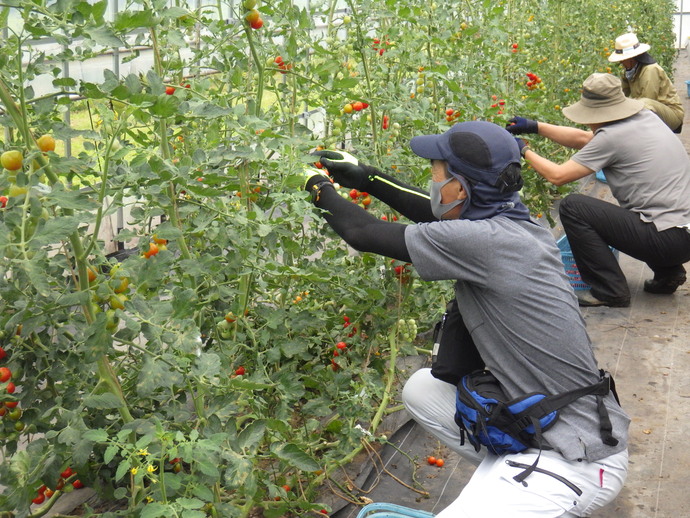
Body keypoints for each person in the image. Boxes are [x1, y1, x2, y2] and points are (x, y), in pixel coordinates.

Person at [305, 120, 629, 517]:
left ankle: (531, 492)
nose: (431, 179)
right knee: (423, 390)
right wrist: (366, 177)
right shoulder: (516, 222)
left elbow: (361, 231)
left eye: (436, 171)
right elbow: (430, 213)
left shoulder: (484, 242)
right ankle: (509, 478)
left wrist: (317, 189)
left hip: (576, 457)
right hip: (550, 421)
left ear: (459, 188)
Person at [507, 73, 690, 307]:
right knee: (645, 211)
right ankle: (669, 273)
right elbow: (586, 139)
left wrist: (524, 151)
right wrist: (535, 127)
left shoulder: (612, 137)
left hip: (665, 240)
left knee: (574, 207)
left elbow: (558, 176)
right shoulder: (646, 117)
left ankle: (610, 291)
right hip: (683, 235)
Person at [608, 32, 683, 132]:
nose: (620, 62)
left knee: (643, 104)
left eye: (622, 59)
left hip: (671, 114)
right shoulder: (630, 71)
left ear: (630, 58)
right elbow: (620, 94)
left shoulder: (650, 70)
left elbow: (646, 104)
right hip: (653, 111)